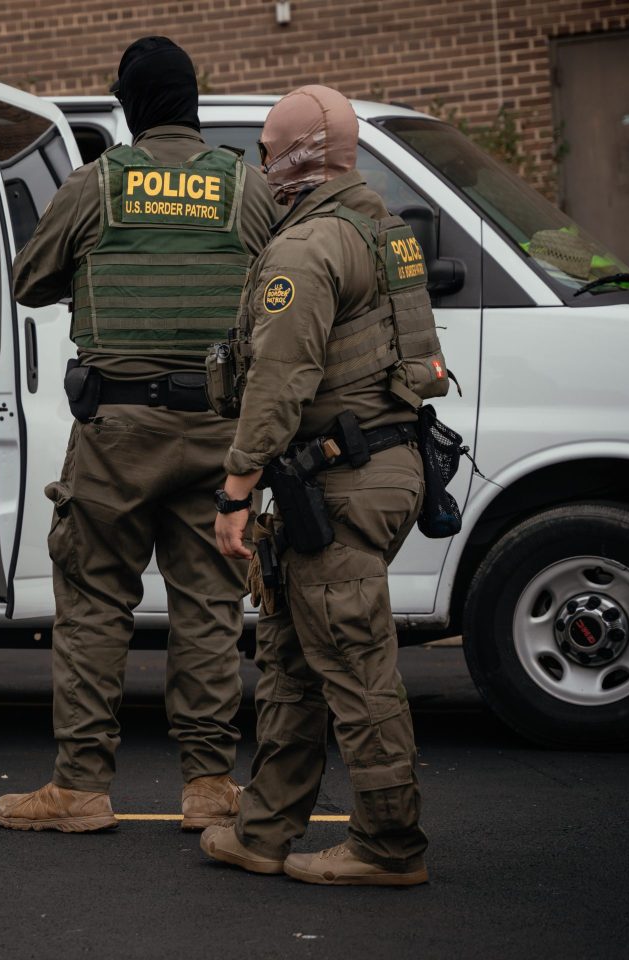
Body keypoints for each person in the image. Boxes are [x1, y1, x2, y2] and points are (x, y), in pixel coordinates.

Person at [0, 37, 277, 833]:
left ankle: (81, 789)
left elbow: (28, 280)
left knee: (92, 604)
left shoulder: (97, 185)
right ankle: (210, 787)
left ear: (131, 104)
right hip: (219, 428)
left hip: (117, 431)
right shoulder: (246, 187)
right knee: (210, 607)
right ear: (192, 99)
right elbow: (282, 287)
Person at [201, 85, 444, 885]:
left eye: (268, 149)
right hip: (380, 465)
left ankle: (386, 844)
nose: (261, 164)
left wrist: (236, 490)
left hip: (340, 478)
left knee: (351, 661)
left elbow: (279, 379)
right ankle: (264, 830)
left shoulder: (307, 248)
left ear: (300, 157)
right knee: (294, 655)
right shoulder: (383, 230)